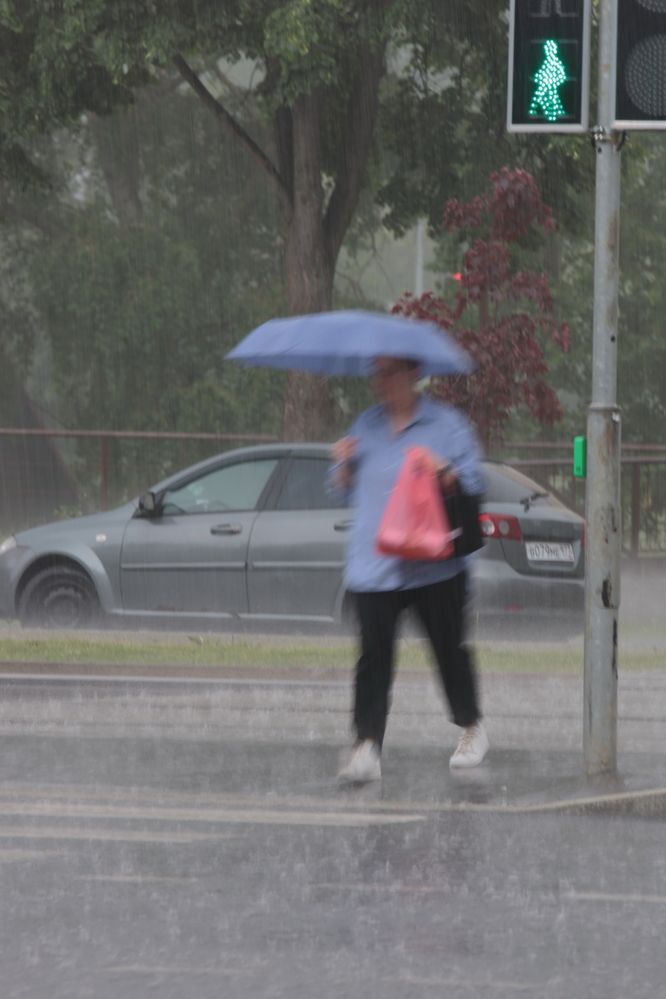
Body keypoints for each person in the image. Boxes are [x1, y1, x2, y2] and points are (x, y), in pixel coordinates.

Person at [329, 355, 488, 784]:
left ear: (413, 374)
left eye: (390, 372)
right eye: (376, 373)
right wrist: (343, 463)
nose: (381, 381)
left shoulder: (447, 424)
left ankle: (471, 726)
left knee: (448, 650)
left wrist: (446, 472)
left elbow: (474, 484)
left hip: (435, 563)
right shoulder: (365, 425)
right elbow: (342, 491)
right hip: (375, 563)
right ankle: (367, 746)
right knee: (373, 657)